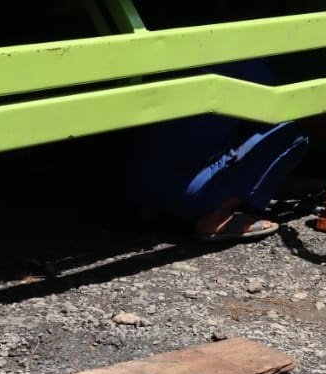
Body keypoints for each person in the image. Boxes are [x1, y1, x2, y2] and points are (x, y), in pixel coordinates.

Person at [128, 60, 310, 242]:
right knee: (290, 133)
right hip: (188, 195)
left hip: (135, 185)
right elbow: (276, 107)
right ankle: (216, 219)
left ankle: (154, 211)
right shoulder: (246, 62)